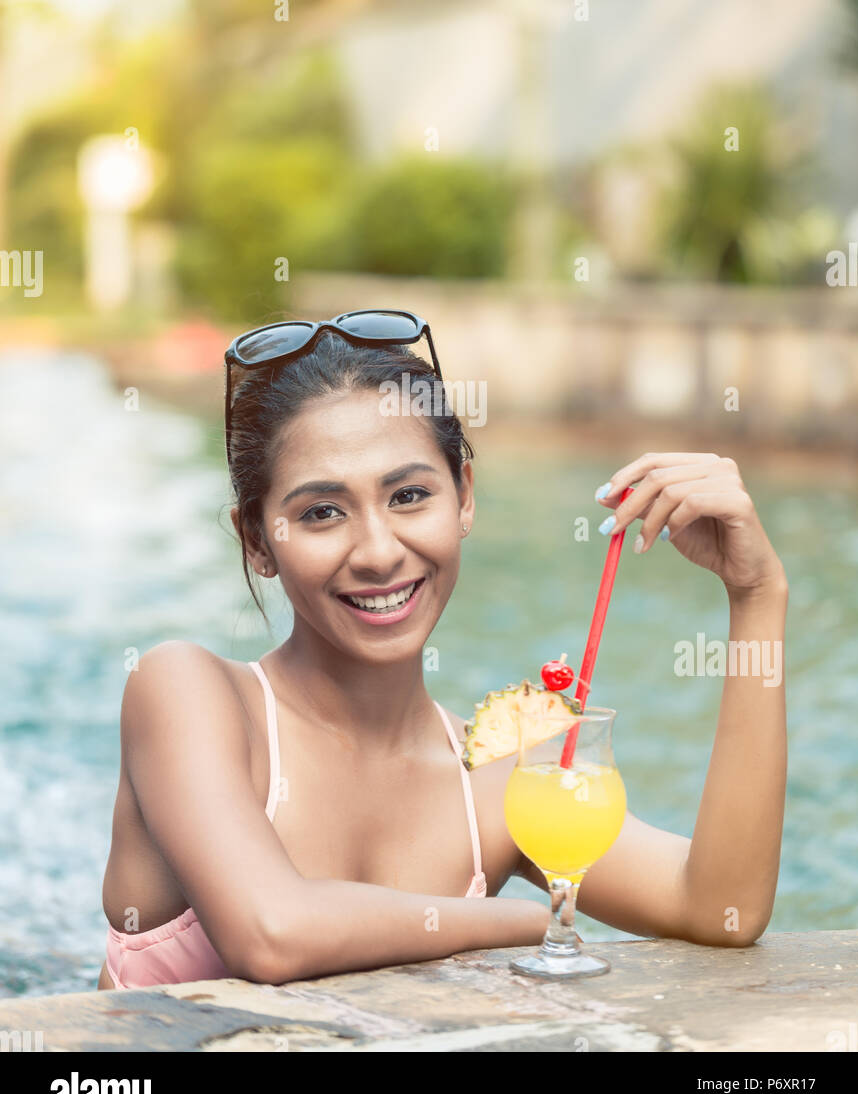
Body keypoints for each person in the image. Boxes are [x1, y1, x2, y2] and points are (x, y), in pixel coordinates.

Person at [97, 312, 788, 990]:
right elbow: (270, 934)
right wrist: (522, 922)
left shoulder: (497, 780)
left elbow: (719, 909)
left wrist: (756, 595)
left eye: (409, 495)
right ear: (256, 539)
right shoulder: (187, 694)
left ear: (463, 496)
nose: (377, 551)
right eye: (321, 512)